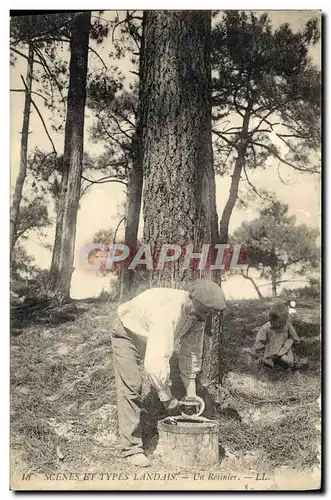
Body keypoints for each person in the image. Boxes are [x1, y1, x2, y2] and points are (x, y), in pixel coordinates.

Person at [110, 279, 226, 467]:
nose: (205, 318)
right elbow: (155, 364)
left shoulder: (198, 315)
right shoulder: (167, 312)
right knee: (132, 386)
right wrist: (168, 399)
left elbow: (191, 354)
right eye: (204, 312)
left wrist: (191, 392)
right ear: (191, 298)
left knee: (163, 376)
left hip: (149, 335)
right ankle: (131, 449)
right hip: (127, 334)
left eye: (209, 314)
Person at [253, 301, 301, 369]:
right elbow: (260, 342)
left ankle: (292, 362)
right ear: (271, 320)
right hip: (272, 349)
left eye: (283, 323)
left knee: (289, 353)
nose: (281, 326)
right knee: (270, 357)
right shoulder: (265, 328)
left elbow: (294, 337)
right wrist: (260, 355)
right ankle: (271, 361)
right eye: (278, 324)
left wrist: (294, 342)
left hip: (284, 348)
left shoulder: (287, 325)